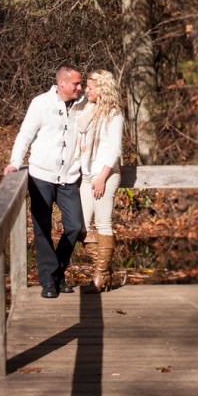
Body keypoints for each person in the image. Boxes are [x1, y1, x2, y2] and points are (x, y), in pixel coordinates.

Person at [3, 64, 85, 298]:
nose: (80, 88)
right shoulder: (41, 103)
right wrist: (15, 162)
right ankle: (49, 282)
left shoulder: (82, 105)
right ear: (62, 83)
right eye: (76, 84)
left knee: (74, 226)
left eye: (80, 84)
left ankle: (57, 273)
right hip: (41, 176)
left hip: (69, 178)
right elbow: (25, 135)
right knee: (42, 229)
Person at [76, 69, 124, 293]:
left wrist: (102, 178)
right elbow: (78, 127)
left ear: (102, 89)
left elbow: (114, 150)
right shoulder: (88, 110)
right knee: (80, 226)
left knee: (103, 223)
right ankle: (104, 271)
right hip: (86, 176)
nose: (86, 90)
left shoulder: (114, 115)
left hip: (104, 175)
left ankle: (99, 275)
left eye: (90, 87)